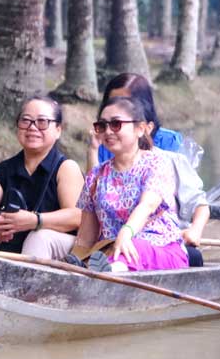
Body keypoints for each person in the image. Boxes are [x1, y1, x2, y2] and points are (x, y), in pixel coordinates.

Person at [88, 73, 211, 256]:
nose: (118, 107)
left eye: (126, 101)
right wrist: (92, 150)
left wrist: (194, 231)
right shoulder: (106, 148)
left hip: (161, 241)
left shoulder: (167, 153)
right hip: (113, 241)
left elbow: (196, 203)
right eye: (113, 101)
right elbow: (92, 200)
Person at [75, 96, 190, 272]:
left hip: (160, 252)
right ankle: (106, 272)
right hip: (110, 252)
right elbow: (85, 239)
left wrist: (126, 232)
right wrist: (74, 261)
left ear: (140, 129)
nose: (108, 131)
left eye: (116, 124)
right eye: (102, 126)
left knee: (135, 247)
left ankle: (110, 274)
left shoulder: (157, 164)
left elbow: (147, 205)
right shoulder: (95, 176)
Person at [0, 96, 82, 259]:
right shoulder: (2, 171)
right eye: (26, 120)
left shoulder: (66, 168)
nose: (32, 128)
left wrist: (35, 221)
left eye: (42, 122)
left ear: (58, 129)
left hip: (55, 256)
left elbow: (77, 217)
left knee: (38, 238)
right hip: (7, 253)